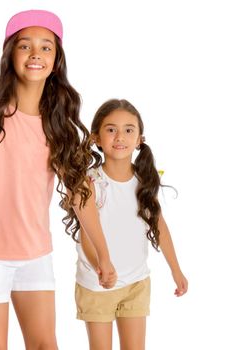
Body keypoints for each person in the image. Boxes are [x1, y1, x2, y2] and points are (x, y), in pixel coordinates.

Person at [0, 9, 116, 349]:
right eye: (25, 46)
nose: (36, 54)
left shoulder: (60, 127)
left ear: (56, 60)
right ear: (11, 55)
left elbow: (81, 195)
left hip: (35, 254)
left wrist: (103, 255)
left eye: (46, 47)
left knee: (45, 344)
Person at [75, 99, 188, 350]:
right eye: (111, 129)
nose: (120, 136)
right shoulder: (90, 182)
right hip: (97, 285)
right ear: (96, 138)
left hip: (136, 283)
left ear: (139, 139)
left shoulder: (144, 180)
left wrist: (176, 269)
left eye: (129, 130)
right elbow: (87, 234)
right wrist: (101, 266)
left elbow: (160, 226)